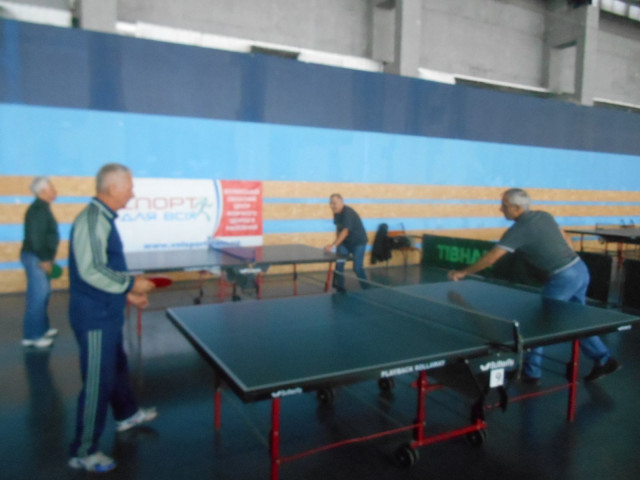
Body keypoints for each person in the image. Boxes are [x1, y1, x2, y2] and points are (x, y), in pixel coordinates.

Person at [448, 188, 620, 384]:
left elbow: (491, 258)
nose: (500, 209)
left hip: (562, 278)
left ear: (516, 208)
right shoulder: (543, 216)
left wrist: (463, 272)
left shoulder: (519, 230)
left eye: (504, 205)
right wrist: (565, 258)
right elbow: (564, 236)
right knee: (576, 320)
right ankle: (604, 359)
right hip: (579, 269)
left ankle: (531, 372)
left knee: (538, 325)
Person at [67, 163, 157, 473]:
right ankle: (83, 451)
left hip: (107, 309)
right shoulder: (93, 220)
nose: (132, 193)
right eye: (129, 187)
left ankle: (126, 415)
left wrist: (126, 295)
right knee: (98, 381)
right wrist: (131, 285)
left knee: (116, 366)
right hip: (94, 316)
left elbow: (105, 267)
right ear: (113, 188)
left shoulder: (104, 217)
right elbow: (91, 269)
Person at [21, 176, 60, 348]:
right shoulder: (38, 210)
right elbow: (36, 239)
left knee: (43, 294)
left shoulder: (42, 207)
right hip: (36, 258)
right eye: (52, 188)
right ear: (43, 191)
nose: (55, 191)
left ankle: (42, 329)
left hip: (39, 257)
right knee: (38, 296)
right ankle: (32, 336)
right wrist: (45, 260)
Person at [324, 193, 368, 290]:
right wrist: (337, 244)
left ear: (341, 202)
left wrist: (333, 246)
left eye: (334, 203)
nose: (332, 206)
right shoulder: (336, 213)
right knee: (339, 266)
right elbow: (338, 229)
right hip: (345, 243)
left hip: (358, 243)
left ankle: (367, 289)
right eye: (330, 203)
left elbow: (345, 231)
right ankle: (340, 289)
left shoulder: (348, 213)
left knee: (357, 268)